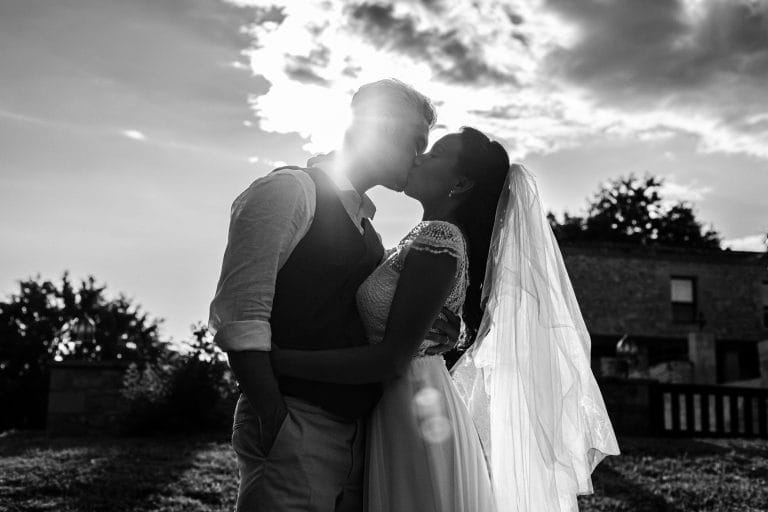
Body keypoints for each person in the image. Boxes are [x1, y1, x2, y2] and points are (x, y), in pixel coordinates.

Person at [272, 128, 620, 511]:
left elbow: (391, 358)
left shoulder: (439, 237)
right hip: (404, 402)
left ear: (460, 182)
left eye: (434, 154)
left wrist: (275, 362)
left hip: (414, 408)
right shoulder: (423, 237)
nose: (418, 157)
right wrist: (457, 334)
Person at [208, 79, 459, 512]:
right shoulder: (288, 191)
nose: (420, 156)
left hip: (360, 437)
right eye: (417, 141)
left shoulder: (370, 233)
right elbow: (241, 316)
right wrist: (275, 420)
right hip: (294, 424)